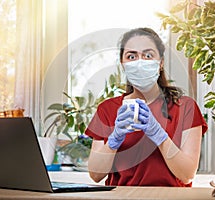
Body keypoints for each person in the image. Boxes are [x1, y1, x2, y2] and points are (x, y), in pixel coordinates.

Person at [85, 27, 208, 187]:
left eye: (148, 55)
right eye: (131, 56)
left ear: (161, 62)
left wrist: (159, 135)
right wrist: (114, 140)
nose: (140, 62)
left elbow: (187, 175)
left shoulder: (185, 108)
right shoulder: (107, 109)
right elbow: (95, 175)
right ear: (123, 64)